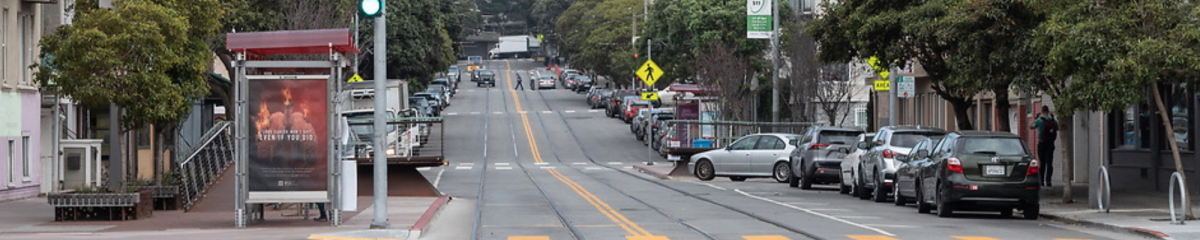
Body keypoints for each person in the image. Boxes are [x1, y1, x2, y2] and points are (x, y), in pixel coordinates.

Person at [1030, 106, 1057, 187]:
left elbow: (1031, 127)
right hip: (1050, 144)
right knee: (1049, 162)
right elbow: (1058, 128)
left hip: (1042, 143)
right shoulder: (1052, 120)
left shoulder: (1039, 120)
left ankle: (1041, 180)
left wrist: (1035, 118)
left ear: (1042, 111)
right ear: (1048, 111)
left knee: (1042, 162)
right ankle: (1048, 181)